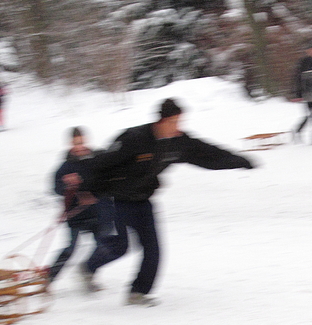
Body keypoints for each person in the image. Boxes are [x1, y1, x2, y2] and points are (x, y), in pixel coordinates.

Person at [79, 98, 255, 306]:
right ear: (160, 121)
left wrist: (238, 161)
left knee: (153, 248)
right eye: (173, 122)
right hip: (117, 199)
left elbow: (206, 154)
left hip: (143, 200)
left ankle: (137, 293)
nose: (177, 126)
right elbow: (102, 163)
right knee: (120, 246)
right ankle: (88, 268)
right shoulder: (134, 138)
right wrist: (88, 189)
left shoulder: (177, 143)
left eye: (179, 121)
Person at [46, 127, 114, 285]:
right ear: (70, 143)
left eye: (82, 142)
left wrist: (97, 196)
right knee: (70, 249)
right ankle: (48, 278)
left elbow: (109, 179)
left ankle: (88, 273)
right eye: (76, 143)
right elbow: (56, 188)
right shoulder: (65, 167)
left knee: (103, 246)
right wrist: (67, 186)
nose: (80, 146)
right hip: (77, 216)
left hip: (99, 214)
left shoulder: (98, 159)